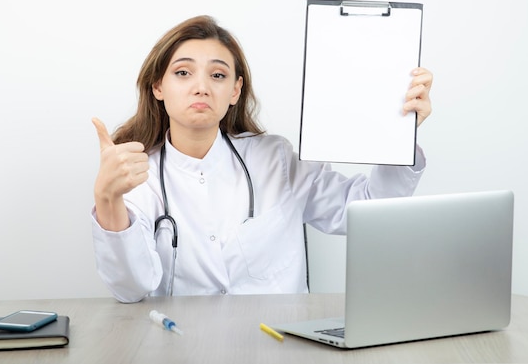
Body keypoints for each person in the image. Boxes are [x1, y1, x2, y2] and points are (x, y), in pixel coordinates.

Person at [91, 15, 433, 303]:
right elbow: (131, 289)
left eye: (218, 75)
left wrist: (401, 132)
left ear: (235, 91)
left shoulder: (275, 159)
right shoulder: (138, 174)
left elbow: (368, 210)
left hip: (278, 346)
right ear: (158, 87)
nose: (201, 87)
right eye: (183, 73)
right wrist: (108, 198)